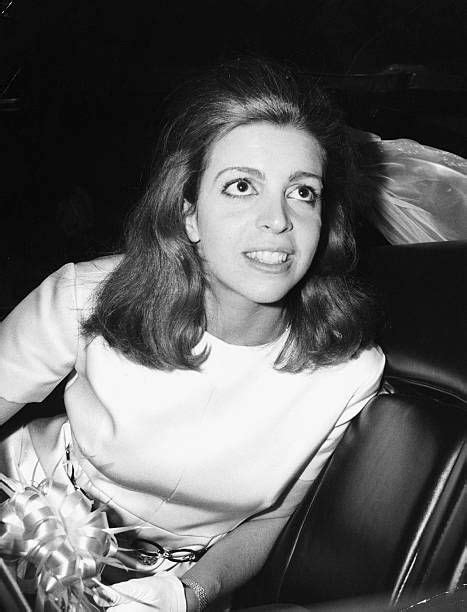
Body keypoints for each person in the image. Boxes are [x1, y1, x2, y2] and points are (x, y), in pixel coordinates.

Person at [0, 57, 385, 611]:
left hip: (162, 585)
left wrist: (188, 593)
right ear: (189, 217)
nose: (278, 219)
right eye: (241, 186)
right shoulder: (88, 295)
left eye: (303, 192)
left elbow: (271, 520)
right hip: (23, 505)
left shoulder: (349, 371)